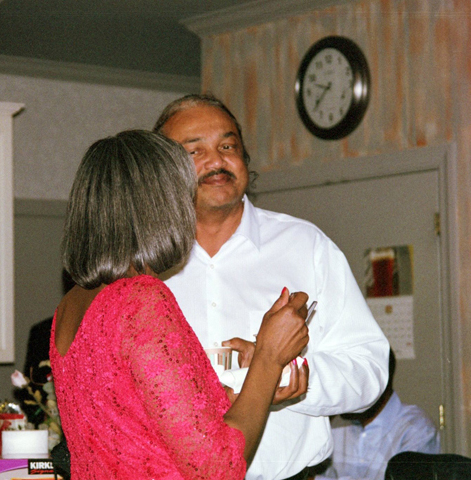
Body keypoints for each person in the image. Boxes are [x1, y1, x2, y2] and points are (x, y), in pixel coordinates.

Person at [153, 93, 390, 480]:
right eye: (195, 151)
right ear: (161, 171)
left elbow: (369, 371)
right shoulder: (144, 266)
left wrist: (289, 374)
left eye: (228, 146)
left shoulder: (306, 246)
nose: (217, 161)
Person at [50, 130, 309, 479]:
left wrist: (250, 391)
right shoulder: (141, 299)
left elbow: (141, 422)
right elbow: (219, 467)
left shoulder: (70, 306)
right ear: (162, 207)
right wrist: (269, 356)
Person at [311, 349, 440, 480]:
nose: (341, 395)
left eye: (350, 386)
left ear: (380, 384)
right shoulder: (337, 424)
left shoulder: (416, 428)